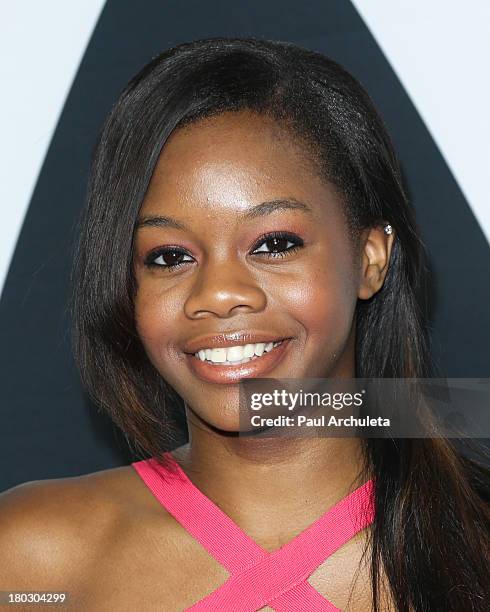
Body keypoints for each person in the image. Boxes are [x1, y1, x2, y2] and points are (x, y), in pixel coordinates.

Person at [0, 37, 488, 611]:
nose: (218, 294)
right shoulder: (32, 557)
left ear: (370, 259)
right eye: (169, 256)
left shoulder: (474, 546)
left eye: (275, 243)